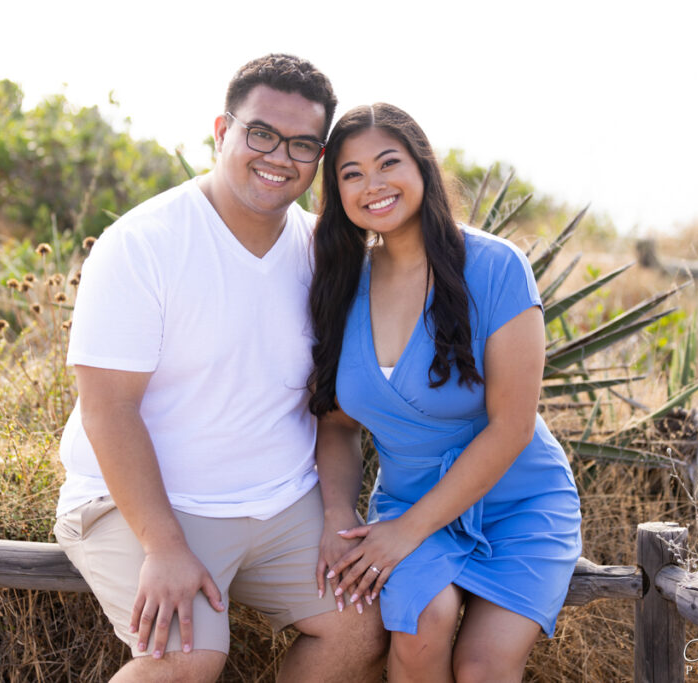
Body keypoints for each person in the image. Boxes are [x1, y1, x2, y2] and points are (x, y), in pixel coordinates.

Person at [53, 55, 386, 683]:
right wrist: (163, 545)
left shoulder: (325, 254)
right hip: (146, 504)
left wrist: (339, 509)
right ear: (221, 130)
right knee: (187, 660)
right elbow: (108, 409)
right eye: (261, 133)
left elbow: (334, 413)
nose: (279, 156)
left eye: (302, 144)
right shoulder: (144, 243)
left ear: (319, 157)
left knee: (362, 629)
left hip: (282, 502)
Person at [309, 103, 583, 683]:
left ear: (423, 166)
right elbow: (335, 424)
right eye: (352, 173)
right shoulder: (340, 280)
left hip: (520, 503)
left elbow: (512, 426)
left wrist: (405, 535)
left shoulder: (496, 266)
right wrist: (337, 513)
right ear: (337, 192)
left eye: (388, 163)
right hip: (407, 501)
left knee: (483, 667)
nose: (372, 184)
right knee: (420, 627)